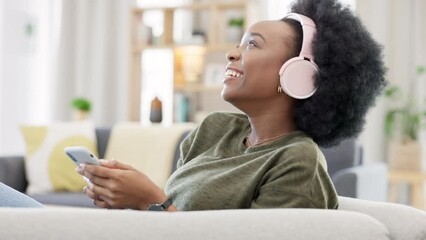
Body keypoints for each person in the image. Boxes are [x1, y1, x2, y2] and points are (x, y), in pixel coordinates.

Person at [0, 0, 386, 210]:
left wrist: (151, 201)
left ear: (299, 77)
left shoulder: (296, 161)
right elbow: (174, 219)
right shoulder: (215, 129)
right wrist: (128, 200)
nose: (233, 54)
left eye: (252, 44)